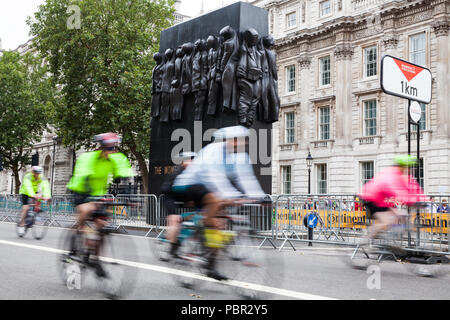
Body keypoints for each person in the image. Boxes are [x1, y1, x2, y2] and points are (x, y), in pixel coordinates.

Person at [171, 125, 266, 280]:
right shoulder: (213, 151)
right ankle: (200, 229)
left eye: (240, 141)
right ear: (227, 140)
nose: (238, 144)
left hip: (210, 188)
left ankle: (210, 265)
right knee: (215, 203)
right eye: (234, 140)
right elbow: (213, 177)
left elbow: (246, 179)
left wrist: (260, 197)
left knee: (219, 226)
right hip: (189, 184)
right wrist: (232, 196)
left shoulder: (241, 157)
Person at [66, 132, 133, 277]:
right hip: (81, 191)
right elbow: (82, 178)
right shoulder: (87, 158)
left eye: (114, 148)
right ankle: (75, 236)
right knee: (86, 210)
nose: (112, 152)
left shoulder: (117, 158)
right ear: (101, 148)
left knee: (102, 226)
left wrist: (130, 196)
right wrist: (91, 199)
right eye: (108, 149)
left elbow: (125, 176)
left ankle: (95, 259)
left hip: (98, 195)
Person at [358, 155, 427, 241]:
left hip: (382, 200)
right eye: (408, 167)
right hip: (371, 198)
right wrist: (410, 201)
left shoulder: (402, 175)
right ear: (402, 166)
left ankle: (391, 239)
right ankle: (366, 239)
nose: (410, 169)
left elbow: (412, 186)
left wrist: (423, 199)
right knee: (386, 221)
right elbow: (395, 190)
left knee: (402, 215)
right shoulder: (391, 175)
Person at [160, 152, 197, 259]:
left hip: (182, 198)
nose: (192, 162)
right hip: (169, 198)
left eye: (192, 160)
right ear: (183, 162)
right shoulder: (177, 172)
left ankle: (180, 237)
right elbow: (166, 190)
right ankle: (171, 249)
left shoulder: (192, 173)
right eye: (189, 160)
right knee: (175, 220)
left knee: (196, 215)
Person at [17, 166, 51, 236]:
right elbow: (28, 186)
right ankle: (22, 224)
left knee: (38, 201)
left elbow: (45, 186)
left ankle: (35, 215)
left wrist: (48, 196)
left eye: (39, 173)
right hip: (25, 192)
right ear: (33, 172)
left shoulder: (41, 177)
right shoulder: (28, 176)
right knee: (26, 208)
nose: (37, 175)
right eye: (36, 173)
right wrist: (33, 195)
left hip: (34, 191)